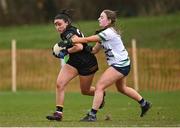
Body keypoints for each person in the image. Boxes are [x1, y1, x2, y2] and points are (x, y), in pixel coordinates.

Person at [64, 9, 152, 122]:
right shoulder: (104, 34)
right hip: (123, 63)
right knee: (122, 88)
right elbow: (94, 50)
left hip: (120, 65)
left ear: (109, 20)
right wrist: (79, 48)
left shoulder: (108, 33)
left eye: (102, 17)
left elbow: (86, 39)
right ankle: (144, 103)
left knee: (100, 86)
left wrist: (73, 40)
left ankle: (92, 115)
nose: (98, 19)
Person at [46, 10, 105, 121]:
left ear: (67, 23)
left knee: (85, 91)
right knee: (60, 84)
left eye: (59, 24)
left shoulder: (68, 32)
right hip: (74, 62)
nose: (57, 27)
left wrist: (65, 51)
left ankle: (100, 94)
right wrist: (64, 50)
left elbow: (79, 47)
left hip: (86, 63)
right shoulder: (67, 31)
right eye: (55, 25)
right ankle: (58, 113)